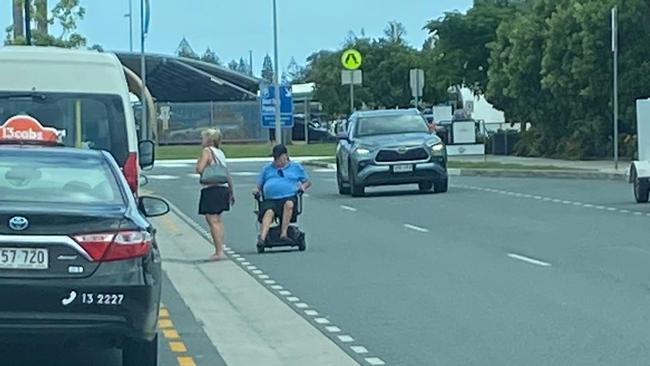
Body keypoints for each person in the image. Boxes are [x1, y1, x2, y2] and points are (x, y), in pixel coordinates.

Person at [254, 144, 311, 245]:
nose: (277, 162)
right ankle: (262, 238)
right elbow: (259, 185)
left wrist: (303, 187)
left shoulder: (295, 167)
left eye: (279, 159)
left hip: (288, 197)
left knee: (289, 204)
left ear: (285, 156)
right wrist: (256, 190)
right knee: (268, 211)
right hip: (271, 199)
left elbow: (307, 181)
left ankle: (283, 234)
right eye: (275, 159)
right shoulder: (267, 168)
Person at [196, 128, 234, 261]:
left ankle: (219, 251)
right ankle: (220, 247)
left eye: (203, 138)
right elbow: (227, 173)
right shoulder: (220, 153)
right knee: (218, 219)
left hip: (211, 189)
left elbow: (200, 169)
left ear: (209, 140)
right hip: (222, 188)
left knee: (212, 220)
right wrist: (231, 190)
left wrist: (198, 163)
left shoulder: (207, 151)